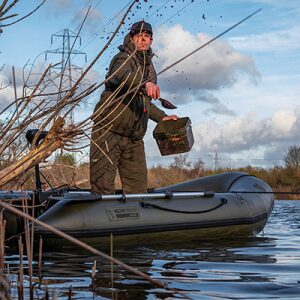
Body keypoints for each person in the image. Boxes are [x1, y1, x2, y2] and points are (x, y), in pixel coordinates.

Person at [90, 20, 178, 195]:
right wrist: (144, 84)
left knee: (138, 192)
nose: (143, 40)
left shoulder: (149, 68)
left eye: (147, 37)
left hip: (134, 139)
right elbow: (122, 76)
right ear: (132, 39)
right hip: (108, 132)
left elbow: (144, 103)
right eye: (139, 36)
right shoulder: (122, 59)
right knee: (102, 188)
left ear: (151, 41)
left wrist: (162, 117)